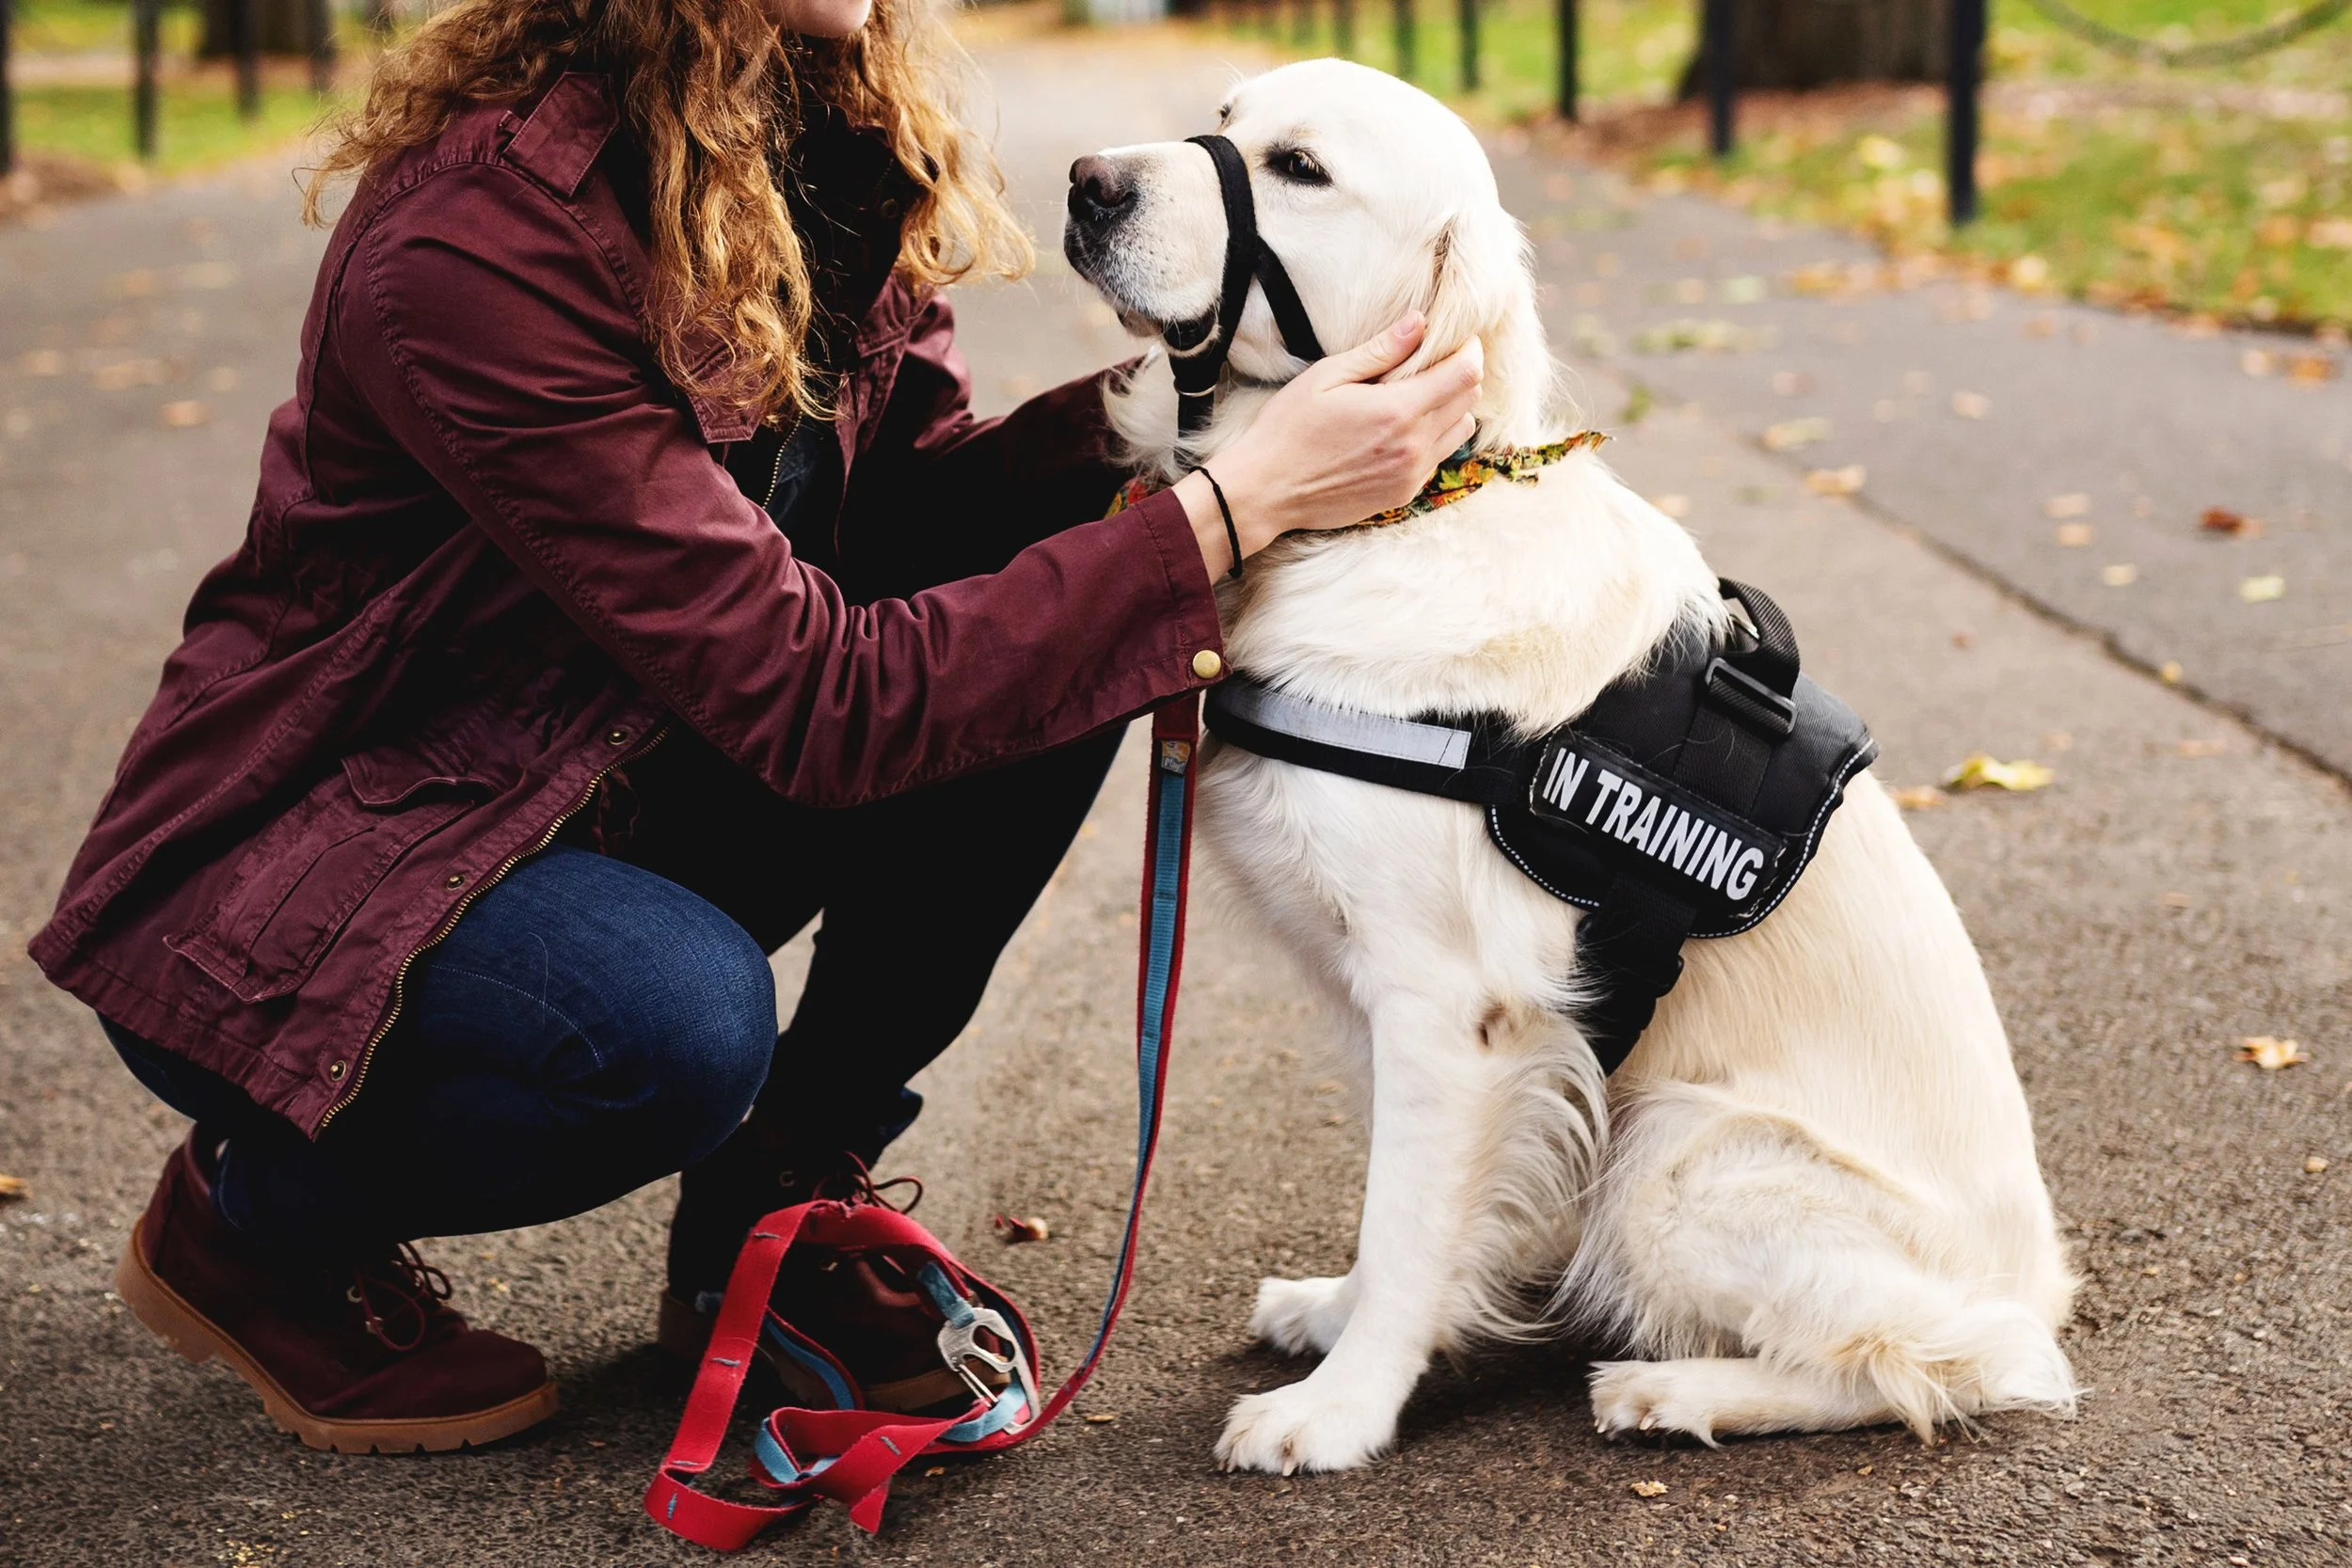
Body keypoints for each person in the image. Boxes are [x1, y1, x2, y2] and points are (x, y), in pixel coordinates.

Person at [28, 0, 1481, 1454]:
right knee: (669, 1026)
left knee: (1076, 607)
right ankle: (258, 1220)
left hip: (605, 773)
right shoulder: (480, 240)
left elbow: (905, 523)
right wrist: (1234, 506)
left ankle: (768, 1213)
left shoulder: (822, 131)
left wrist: (1175, 422)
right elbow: (818, 701)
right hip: (323, 877)